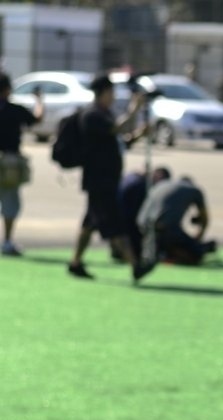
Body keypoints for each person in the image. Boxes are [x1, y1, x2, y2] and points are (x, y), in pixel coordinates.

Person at [67, 74, 152, 282]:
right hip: (100, 181)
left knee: (89, 222)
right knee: (114, 223)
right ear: (103, 92)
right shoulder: (92, 115)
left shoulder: (103, 113)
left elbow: (116, 140)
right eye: (111, 92)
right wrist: (135, 108)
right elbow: (117, 129)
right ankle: (135, 265)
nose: (114, 96)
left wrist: (138, 135)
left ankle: (75, 262)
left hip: (105, 179)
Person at [0, 73, 43, 257]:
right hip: (10, 161)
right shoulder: (14, 109)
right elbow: (37, 118)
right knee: (10, 201)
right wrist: (39, 100)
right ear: (8, 89)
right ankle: (7, 241)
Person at [137, 174, 216, 265]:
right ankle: (174, 253)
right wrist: (197, 240)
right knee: (197, 253)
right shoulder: (194, 190)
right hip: (166, 227)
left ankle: (165, 252)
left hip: (142, 224)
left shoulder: (162, 185)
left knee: (165, 238)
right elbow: (205, 219)